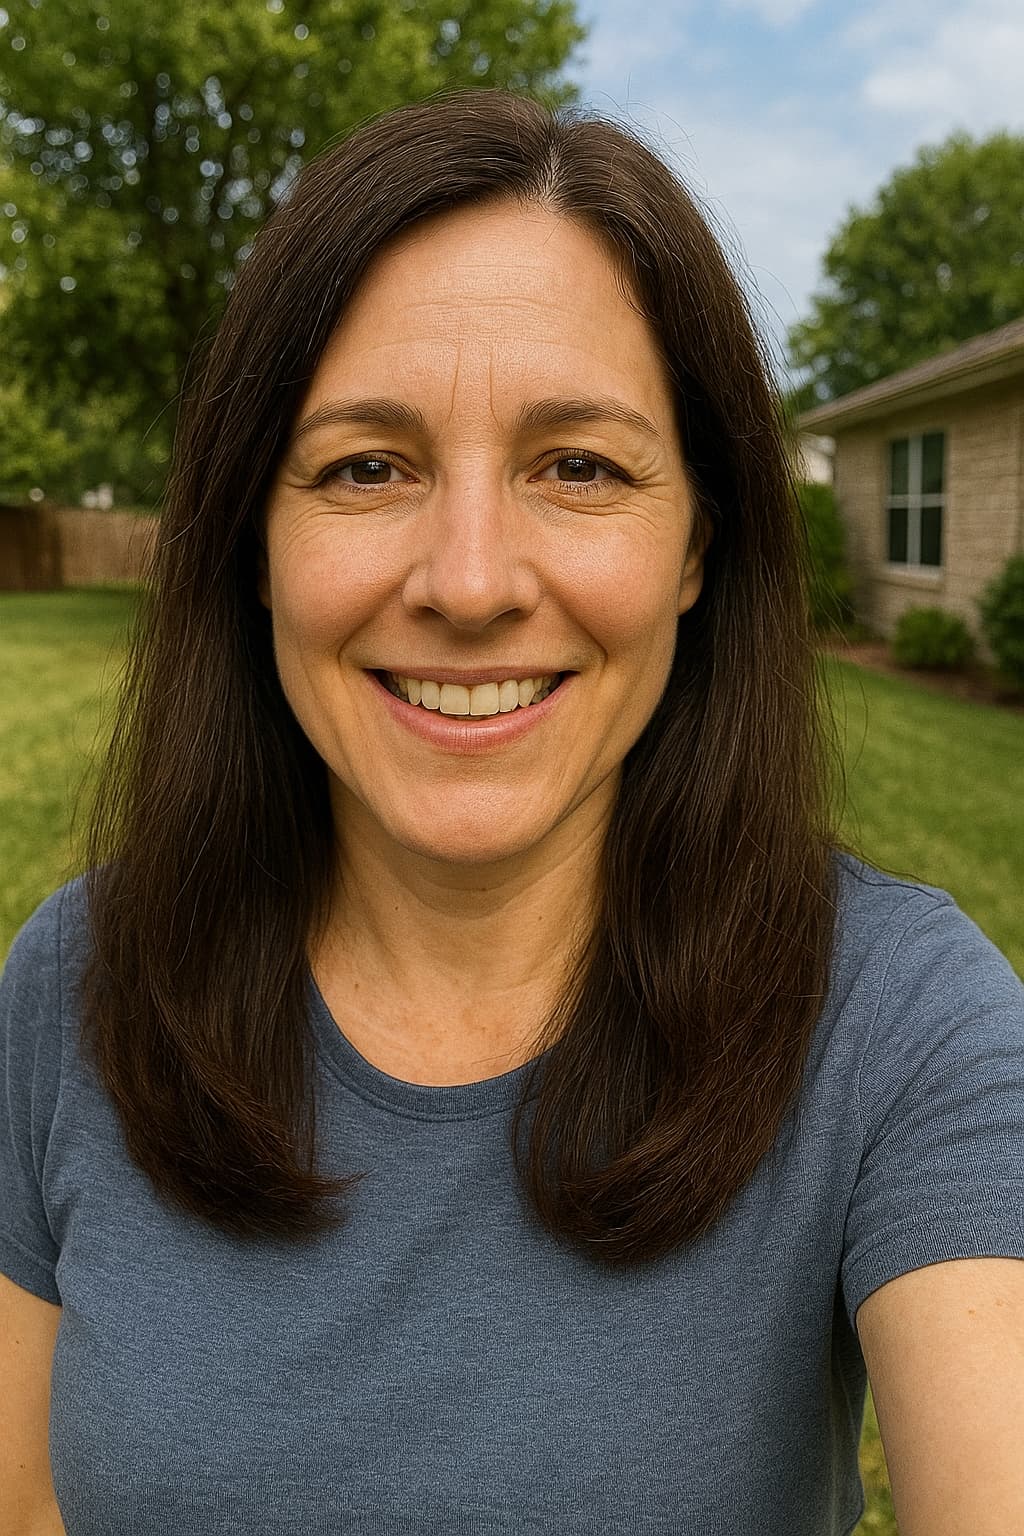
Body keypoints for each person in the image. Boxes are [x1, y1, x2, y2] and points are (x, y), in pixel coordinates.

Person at [1, 87, 1022, 1536]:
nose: (470, 581)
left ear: (695, 548)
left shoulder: (901, 1029)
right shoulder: (75, 985)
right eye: (367, 466)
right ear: (255, 541)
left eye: (580, 468)